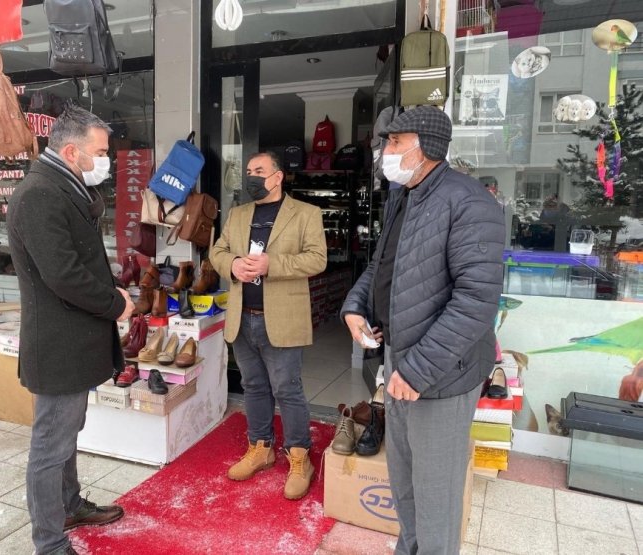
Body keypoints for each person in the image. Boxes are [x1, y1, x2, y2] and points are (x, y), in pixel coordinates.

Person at [340, 106, 505, 554]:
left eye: (395, 142)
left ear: (427, 147)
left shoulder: (470, 202)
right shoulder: (403, 194)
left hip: (442, 373)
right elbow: (381, 265)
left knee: (436, 495)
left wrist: (416, 371)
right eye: (386, 142)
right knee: (405, 482)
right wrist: (355, 307)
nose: (385, 151)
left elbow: (476, 302)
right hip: (399, 358)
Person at [7, 104, 135, 555]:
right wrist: (116, 304)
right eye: (100, 152)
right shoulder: (40, 193)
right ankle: (50, 542)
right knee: (50, 445)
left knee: (67, 434)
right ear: (70, 150)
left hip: (76, 340)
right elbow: (62, 275)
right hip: (59, 344)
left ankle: (69, 504)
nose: (106, 160)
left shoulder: (65, 185)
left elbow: (76, 261)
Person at [209, 151, 327, 500]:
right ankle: (261, 448)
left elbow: (317, 258)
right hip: (242, 317)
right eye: (248, 171)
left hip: (283, 318)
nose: (251, 177)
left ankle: (299, 456)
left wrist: (270, 264)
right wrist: (232, 265)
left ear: (277, 177)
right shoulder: (238, 214)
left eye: (259, 171)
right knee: (254, 386)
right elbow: (216, 251)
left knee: (287, 389)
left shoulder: (306, 214)